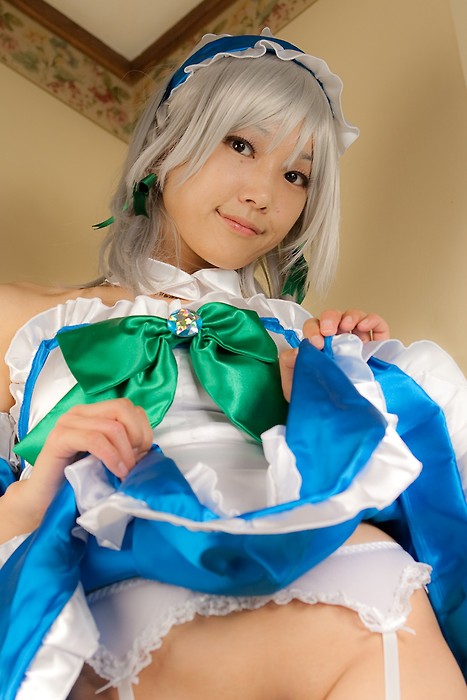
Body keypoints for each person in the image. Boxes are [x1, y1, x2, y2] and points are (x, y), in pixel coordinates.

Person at [0, 29, 465, 700]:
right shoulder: (21, 317)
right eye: (241, 144)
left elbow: (425, 476)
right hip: (107, 601)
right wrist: (35, 485)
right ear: (167, 144)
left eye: (296, 175)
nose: (263, 193)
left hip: (346, 585)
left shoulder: (302, 335)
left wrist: (347, 394)